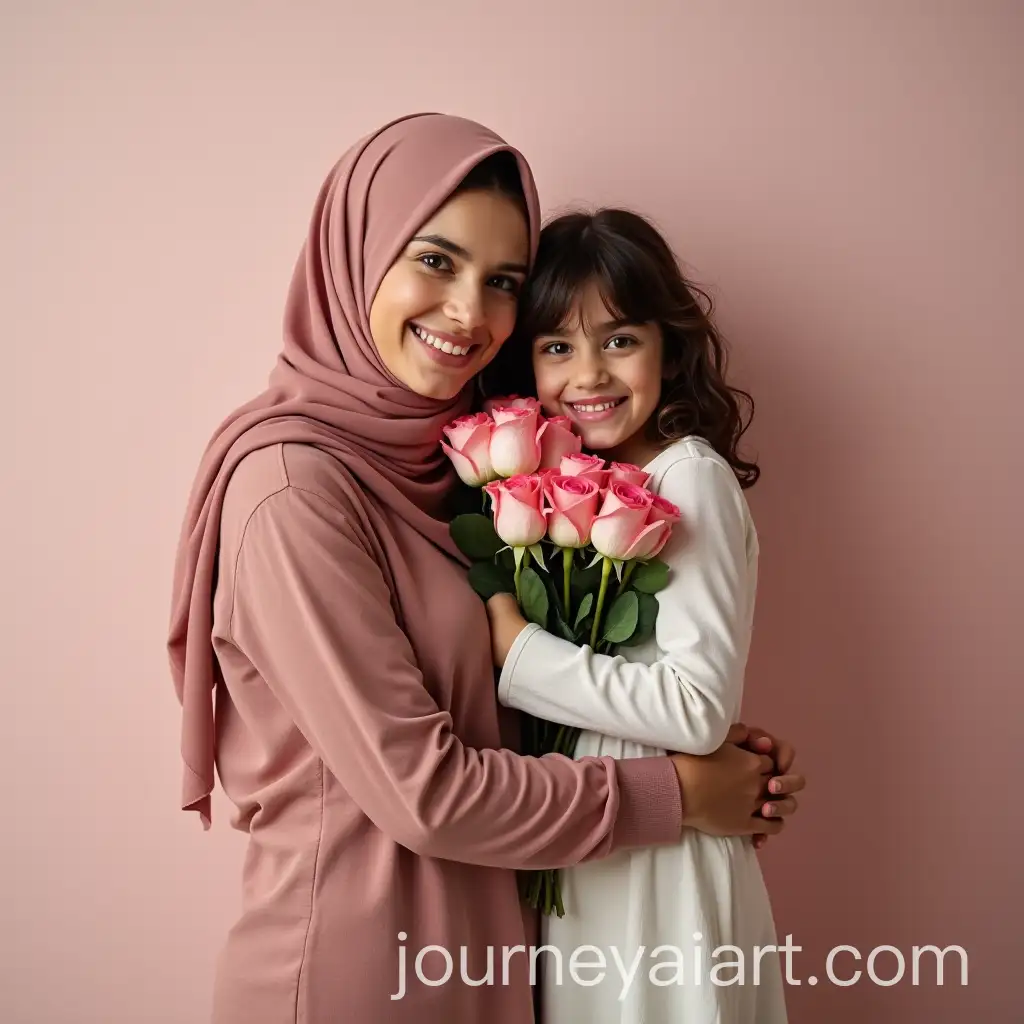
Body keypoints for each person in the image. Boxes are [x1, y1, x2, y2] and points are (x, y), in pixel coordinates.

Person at [167, 115, 804, 1024]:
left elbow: (504, 708)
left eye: (502, 281)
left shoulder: (463, 473)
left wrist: (688, 747)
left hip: (497, 964)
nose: (470, 313)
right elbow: (425, 791)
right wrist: (678, 794)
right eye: (435, 260)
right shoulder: (294, 492)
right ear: (354, 257)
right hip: (360, 978)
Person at [483, 208, 791, 1022]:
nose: (589, 375)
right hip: (598, 838)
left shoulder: (690, 479)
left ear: (669, 348)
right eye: (557, 347)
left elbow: (696, 708)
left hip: (665, 861)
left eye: (619, 340)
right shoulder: (560, 488)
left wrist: (520, 651)